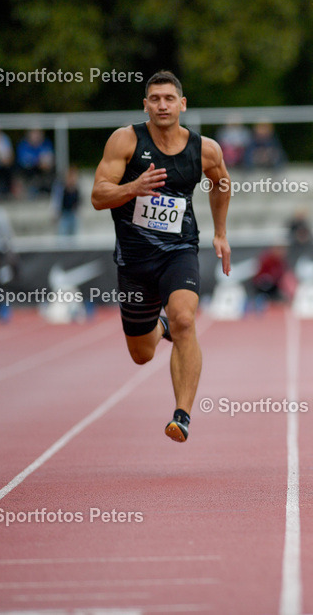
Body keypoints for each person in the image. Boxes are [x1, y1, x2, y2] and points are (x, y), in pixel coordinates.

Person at [91, 71, 232, 442]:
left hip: (179, 251)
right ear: (146, 105)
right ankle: (160, 328)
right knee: (141, 354)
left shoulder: (205, 150)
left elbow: (222, 183)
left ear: (182, 104)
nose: (163, 105)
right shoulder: (125, 140)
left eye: (169, 98)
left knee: (185, 319)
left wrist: (220, 232)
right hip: (135, 261)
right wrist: (133, 187)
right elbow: (98, 196)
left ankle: (182, 414)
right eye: (155, 99)